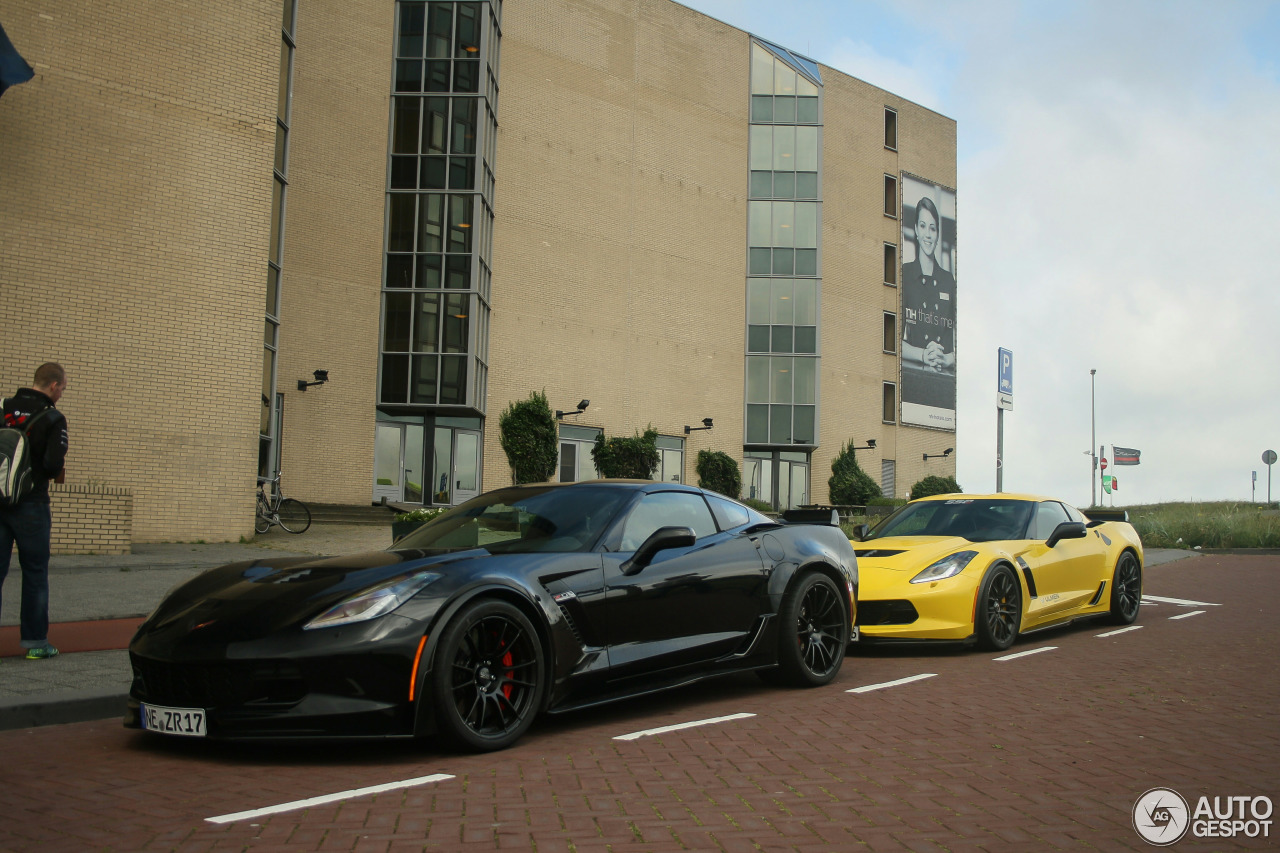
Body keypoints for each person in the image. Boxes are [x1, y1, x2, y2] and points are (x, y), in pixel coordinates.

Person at [1, 362, 69, 660]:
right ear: (54, 386)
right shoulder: (53, 417)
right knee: (35, 573)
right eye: (63, 389)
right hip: (31, 504)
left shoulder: (3, 407)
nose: (61, 394)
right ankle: (35, 643)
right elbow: (54, 464)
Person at [901, 196, 956, 374]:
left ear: (938, 234)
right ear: (916, 230)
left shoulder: (949, 280)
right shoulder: (906, 274)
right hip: (915, 374)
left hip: (945, 376)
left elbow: (966, 339)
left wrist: (949, 358)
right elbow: (894, 342)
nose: (928, 234)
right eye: (923, 226)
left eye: (932, 228)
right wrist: (923, 354)